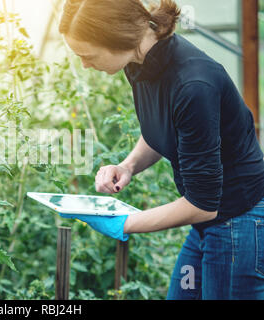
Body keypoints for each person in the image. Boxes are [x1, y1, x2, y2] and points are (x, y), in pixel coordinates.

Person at [58, 0, 264, 300]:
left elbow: (202, 204)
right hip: (208, 222)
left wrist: (121, 223)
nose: (85, 65)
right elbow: (162, 128)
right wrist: (127, 166)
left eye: (87, 56)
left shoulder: (193, 85)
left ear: (118, 37)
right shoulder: (138, 62)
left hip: (239, 221)